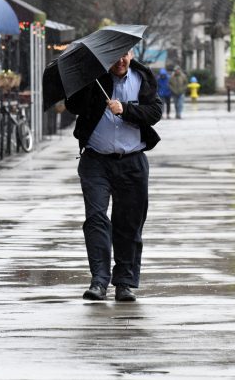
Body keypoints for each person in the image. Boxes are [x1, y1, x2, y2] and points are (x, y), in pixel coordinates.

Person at [65, 51, 162, 302]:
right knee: (96, 218)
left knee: (128, 223)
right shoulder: (93, 79)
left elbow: (155, 112)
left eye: (125, 55)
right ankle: (99, 281)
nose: (120, 61)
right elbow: (72, 106)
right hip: (96, 161)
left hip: (132, 162)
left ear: (131, 55)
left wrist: (126, 109)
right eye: (115, 56)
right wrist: (83, 82)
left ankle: (124, 283)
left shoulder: (142, 77)